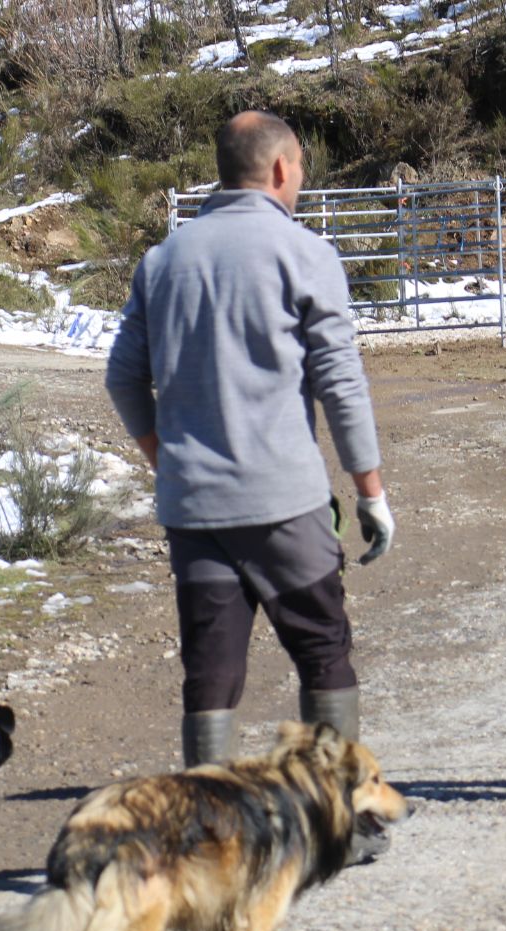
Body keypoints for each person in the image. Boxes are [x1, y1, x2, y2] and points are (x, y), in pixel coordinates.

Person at [105, 110, 394, 770]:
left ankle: (207, 827)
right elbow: (340, 384)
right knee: (323, 649)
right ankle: (336, 813)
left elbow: (122, 377)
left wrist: (163, 459)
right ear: (280, 169)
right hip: (284, 503)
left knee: (210, 670)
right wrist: (369, 490)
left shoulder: (163, 260)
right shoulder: (305, 254)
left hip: (194, 508)